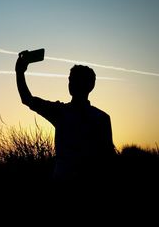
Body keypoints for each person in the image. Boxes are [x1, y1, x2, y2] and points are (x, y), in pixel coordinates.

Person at [15, 50, 116, 183]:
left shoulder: (65, 112)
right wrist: (20, 73)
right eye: (70, 79)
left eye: (74, 79)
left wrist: (19, 73)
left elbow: (108, 157)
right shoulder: (97, 117)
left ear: (89, 85)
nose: (70, 83)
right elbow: (27, 99)